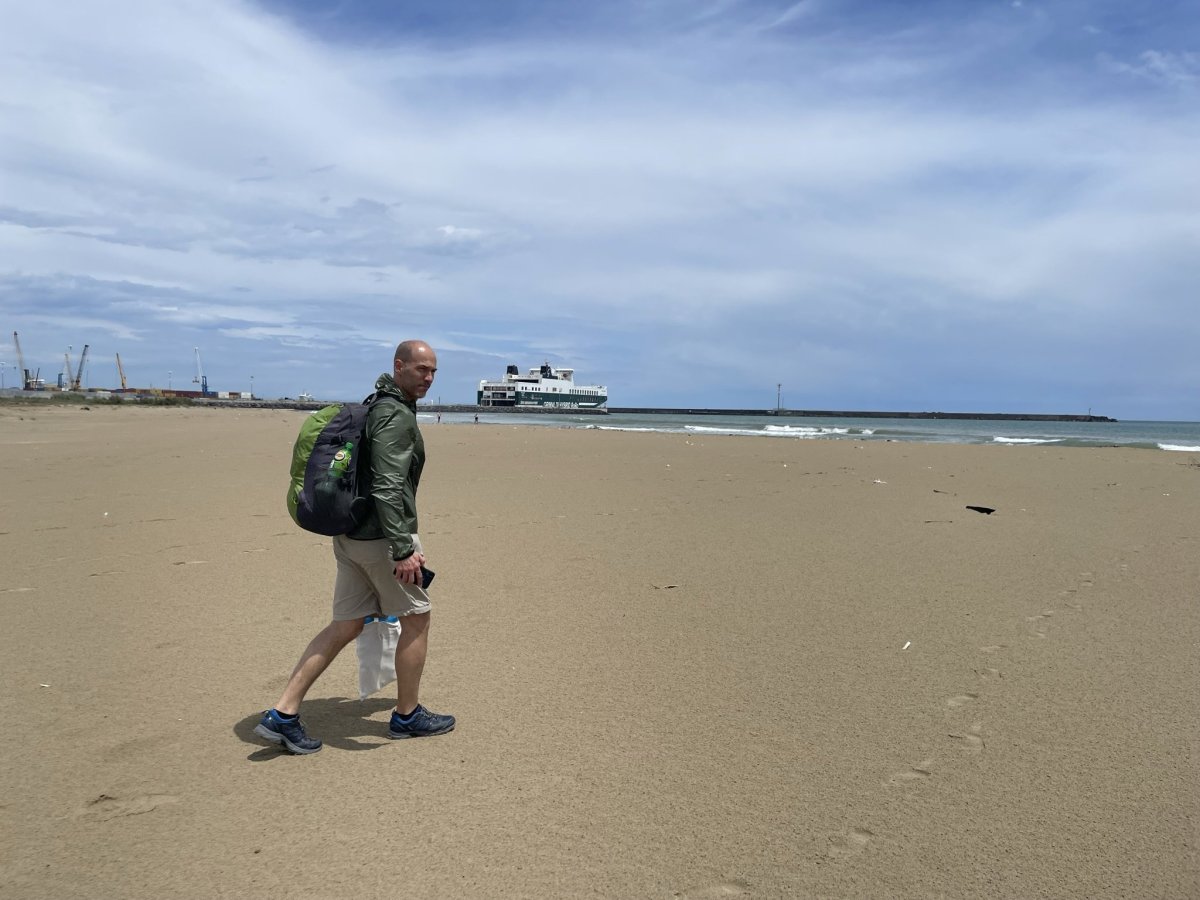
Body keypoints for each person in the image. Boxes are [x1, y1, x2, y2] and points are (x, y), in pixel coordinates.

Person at [254, 340, 454, 754]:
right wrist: (402, 548)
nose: (428, 378)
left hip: (349, 536)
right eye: (420, 369)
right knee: (418, 618)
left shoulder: (376, 404)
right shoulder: (395, 415)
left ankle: (283, 713)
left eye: (433, 371)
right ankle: (407, 715)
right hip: (381, 540)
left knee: (346, 624)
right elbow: (387, 485)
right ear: (399, 367)